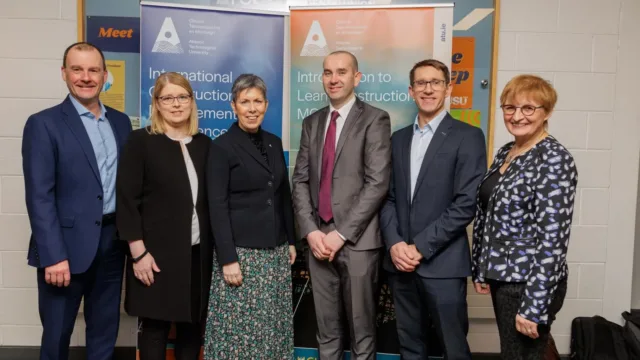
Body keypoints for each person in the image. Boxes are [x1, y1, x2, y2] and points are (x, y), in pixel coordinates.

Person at [21, 42, 132, 360]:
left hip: (112, 245)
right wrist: (53, 255)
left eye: (93, 69)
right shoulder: (44, 124)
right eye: (77, 69)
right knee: (57, 336)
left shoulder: (121, 123)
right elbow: (39, 197)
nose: (86, 77)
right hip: (63, 251)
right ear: (64, 74)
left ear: (104, 75)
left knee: (104, 331)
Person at [380, 59, 487, 360]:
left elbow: (467, 204)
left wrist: (421, 247)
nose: (428, 89)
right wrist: (396, 244)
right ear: (411, 91)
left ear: (448, 88)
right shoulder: (398, 139)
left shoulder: (468, 136)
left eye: (436, 82)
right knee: (410, 347)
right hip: (400, 265)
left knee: (453, 348)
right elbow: (387, 199)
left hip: (442, 265)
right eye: (421, 83)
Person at [292, 50, 391, 360]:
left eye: (341, 72)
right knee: (327, 332)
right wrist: (310, 232)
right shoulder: (312, 122)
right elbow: (300, 181)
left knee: (362, 334)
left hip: (357, 243)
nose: (333, 79)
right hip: (318, 242)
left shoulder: (375, 119)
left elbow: (377, 183)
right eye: (327, 72)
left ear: (356, 77)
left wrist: (341, 233)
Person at [472, 74, 577, 359]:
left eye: (528, 108)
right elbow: (490, 211)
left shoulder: (553, 159)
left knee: (519, 355)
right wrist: (481, 266)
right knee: (520, 352)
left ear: (547, 112)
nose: (517, 116)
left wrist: (534, 305)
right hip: (504, 280)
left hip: (528, 282)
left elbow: (553, 239)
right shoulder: (508, 151)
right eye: (510, 107)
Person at [116, 72, 212, 359]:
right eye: (168, 97)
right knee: (155, 330)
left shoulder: (205, 145)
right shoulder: (140, 142)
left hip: (196, 256)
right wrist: (138, 253)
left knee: (191, 330)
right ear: (156, 103)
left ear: (192, 102)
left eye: (182, 96)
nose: (176, 104)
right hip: (153, 258)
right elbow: (126, 201)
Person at [204, 74, 296, 359]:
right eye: (245, 102)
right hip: (242, 257)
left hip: (275, 254)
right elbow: (216, 207)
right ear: (234, 106)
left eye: (258, 101)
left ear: (266, 105)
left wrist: (291, 240)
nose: (252, 108)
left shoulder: (273, 142)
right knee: (238, 334)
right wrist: (228, 258)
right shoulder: (221, 146)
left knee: (271, 329)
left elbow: (282, 195)